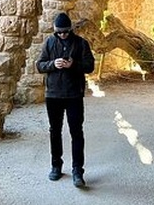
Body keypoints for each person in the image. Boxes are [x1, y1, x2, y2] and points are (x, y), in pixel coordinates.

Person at [36, 12, 95, 187]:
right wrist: (53, 64)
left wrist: (73, 65)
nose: (62, 35)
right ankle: (56, 166)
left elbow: (90, 66)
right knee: (55, 131)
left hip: (74, 95)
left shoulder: (81, 43)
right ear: (55, 31)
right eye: (59, 32)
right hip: (53, 95)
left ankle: (78, 170)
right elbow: (40, 65)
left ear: (70, 30)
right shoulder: (49, 42)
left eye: (65, 32)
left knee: (76, 132)